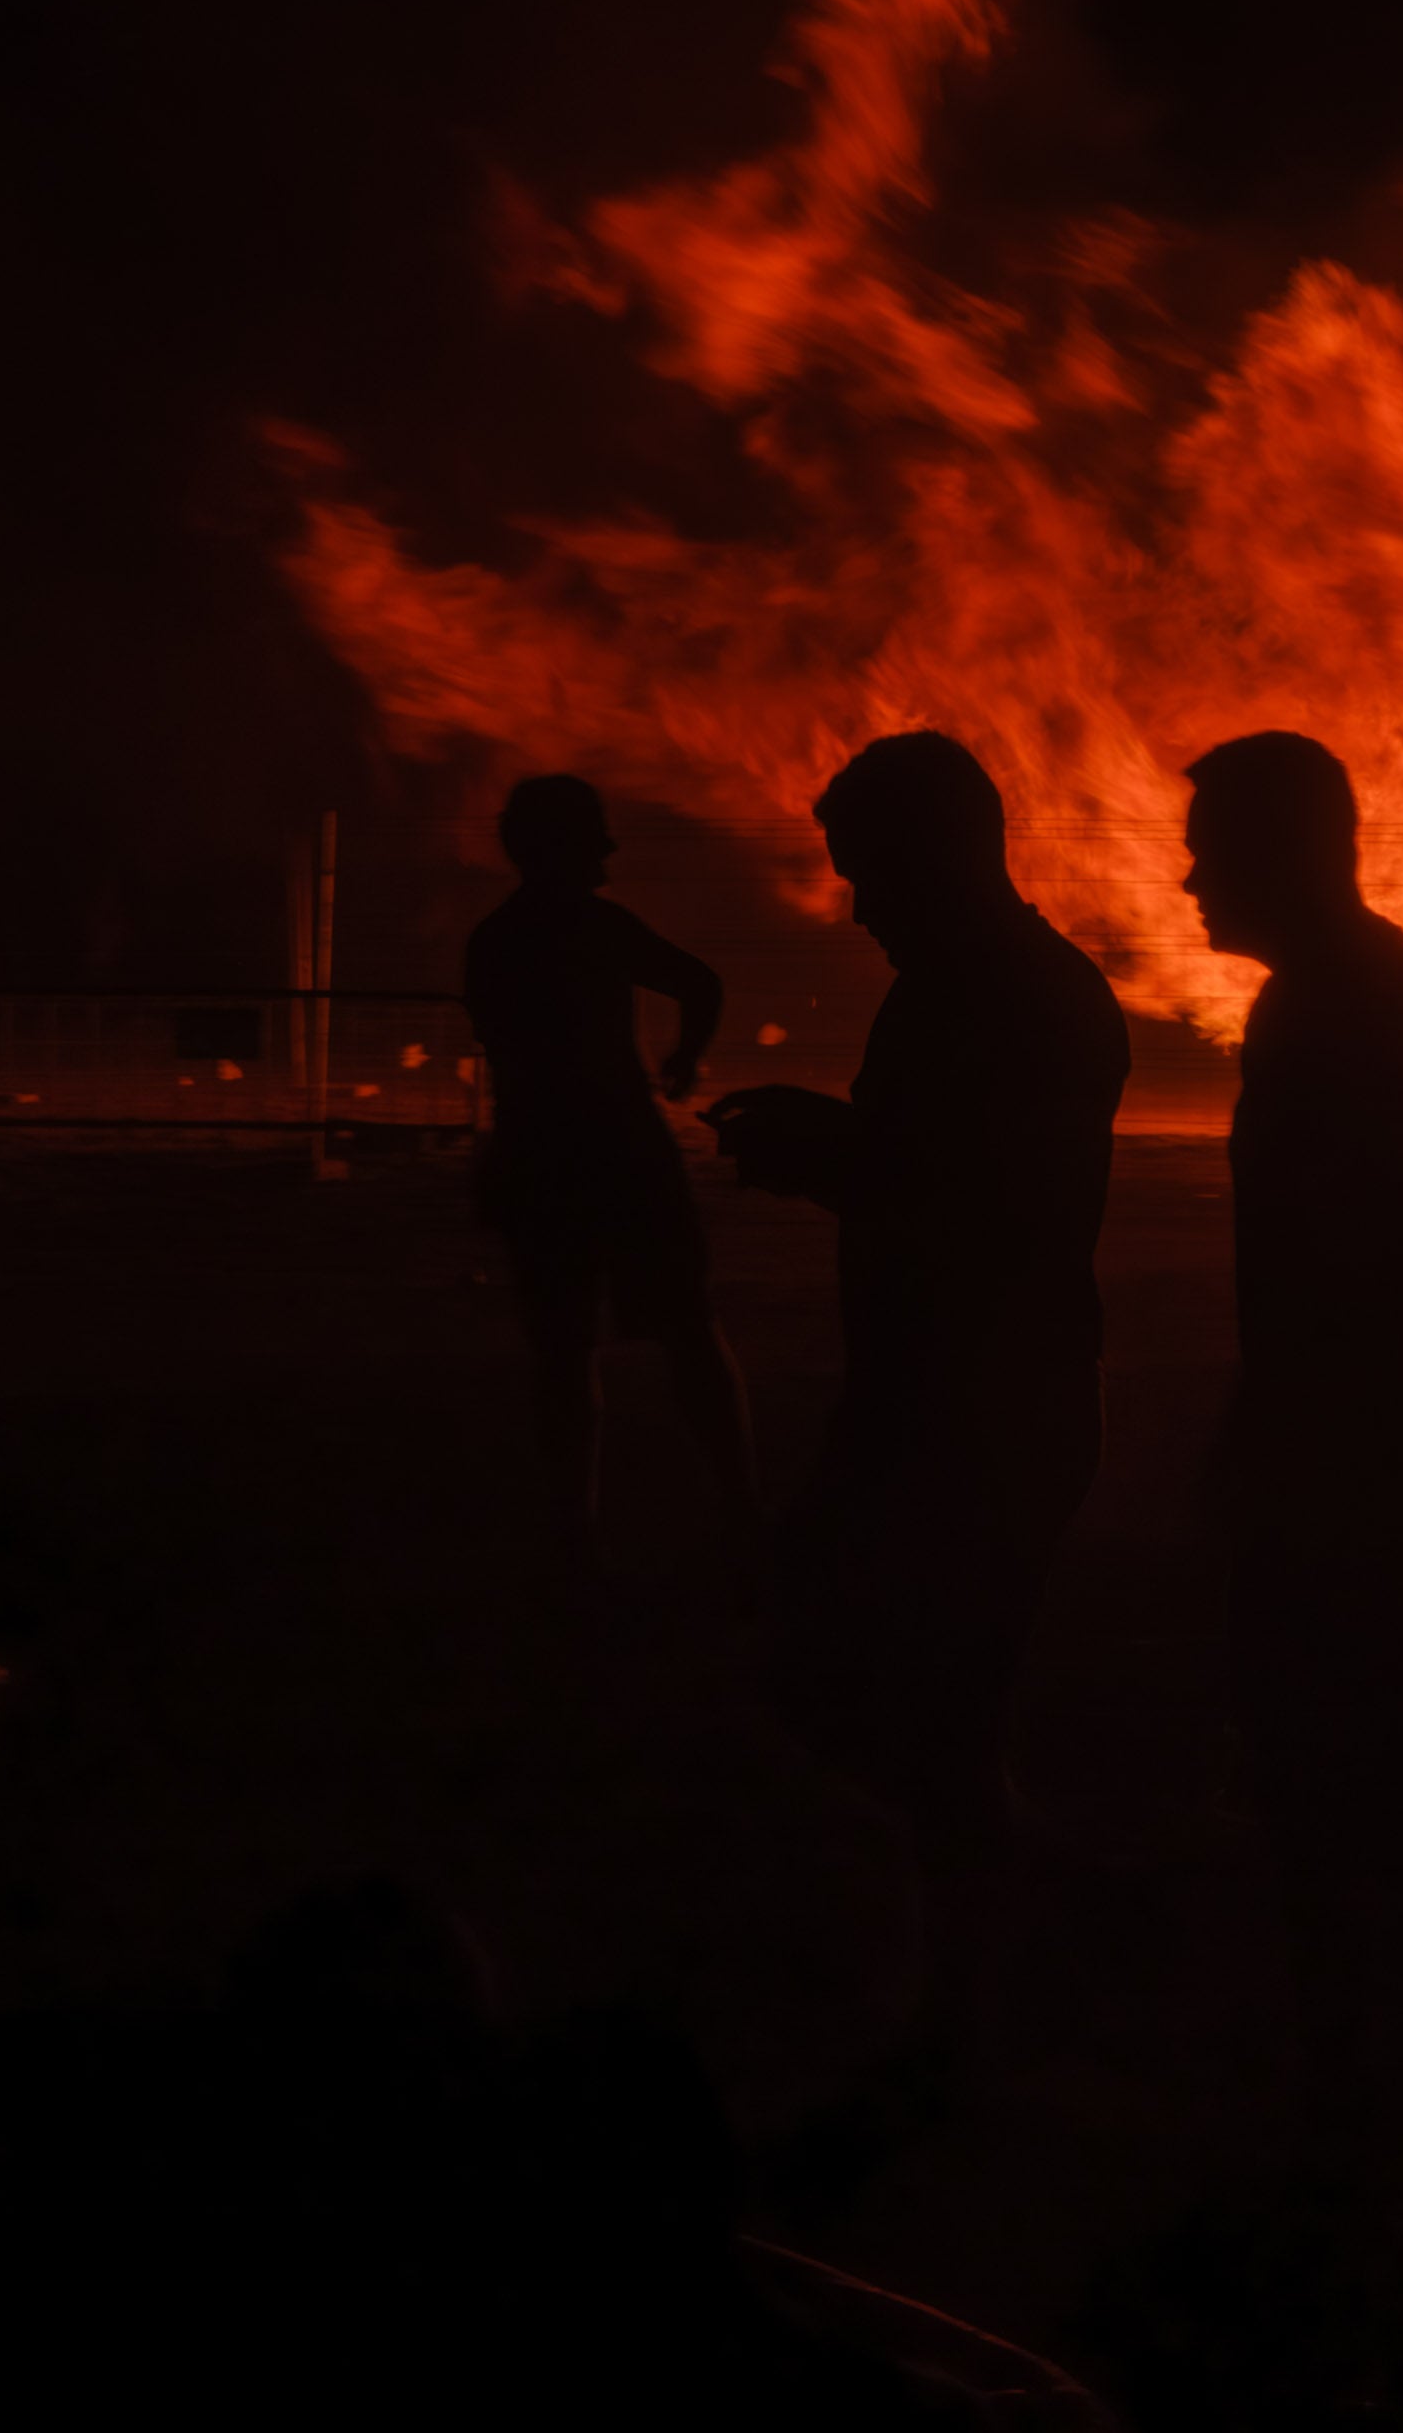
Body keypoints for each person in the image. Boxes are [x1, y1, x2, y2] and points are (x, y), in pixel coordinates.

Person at [702, 732, 1131, 2066]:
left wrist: (827, 1152)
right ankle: (1001, 1927)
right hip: (936, 1400)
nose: (859, 904)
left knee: (888, 1695)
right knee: (893, 1692)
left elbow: (991, 1204)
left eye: (869, 872)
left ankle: (961, 1993)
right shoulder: (977, 988)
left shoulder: (1011, 996)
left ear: (938, 855)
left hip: (980, 1411)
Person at [1178, 730, 1403, 2076]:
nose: (1188, 876)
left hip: (1357, 1458)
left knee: (1337, 1777)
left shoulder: (1338, 1014)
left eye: (1209, 848)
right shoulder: (1387, 995)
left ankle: (1370, 2053)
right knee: (1371, 1771)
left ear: (1282, 851)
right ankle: (1385, 2032)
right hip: (1397, 1444)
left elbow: (1359, 1263)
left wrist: (1280, 1438)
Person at [463, 774, 753, 1539]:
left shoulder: (494, 941)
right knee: (687, 1329)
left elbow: (509, 1062)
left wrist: (502, 1159)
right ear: (562, 845)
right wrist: (684, 1057)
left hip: (540, 1156)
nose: (610, 846)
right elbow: (700, 982)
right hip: (625, 1153)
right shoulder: (597, 928)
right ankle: (741, 1511)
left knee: (562, 1350)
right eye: (594, 831)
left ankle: (574, 1539)